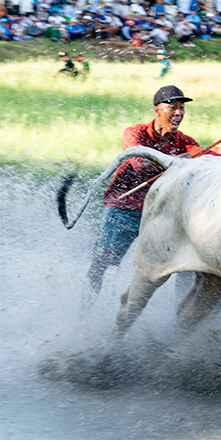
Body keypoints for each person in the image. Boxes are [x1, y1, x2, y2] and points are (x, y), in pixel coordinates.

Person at [85, 86, 200, 297]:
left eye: (182, 108)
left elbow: (204, 158)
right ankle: (83, 314)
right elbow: (139, 162)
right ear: (157, 110)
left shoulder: (184, 141)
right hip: (124, 206)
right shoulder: (135, 132)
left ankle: (181, 317)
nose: (178, 113)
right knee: (102, 260)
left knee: (187, 262)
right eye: (172, 107)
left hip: (160, 211)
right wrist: (180, 161)